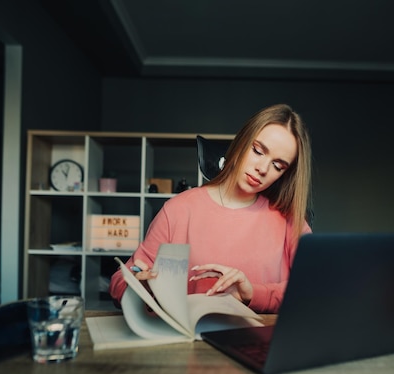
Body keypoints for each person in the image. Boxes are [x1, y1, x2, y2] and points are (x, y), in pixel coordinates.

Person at [109, 103, 313, 313]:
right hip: (189, 341)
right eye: (258, 151)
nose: (262, 169)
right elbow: (119, 283)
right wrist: (137, 285)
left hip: (260, 342)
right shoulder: (179, 209)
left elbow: (312, 292)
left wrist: (252, 293)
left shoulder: (290, 220)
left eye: (278, 166)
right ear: (242, 141)